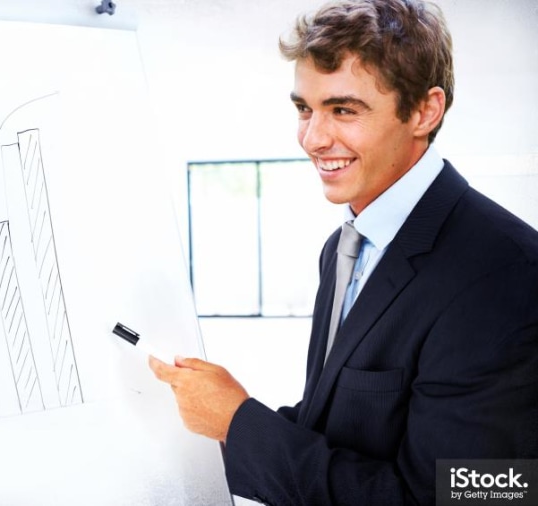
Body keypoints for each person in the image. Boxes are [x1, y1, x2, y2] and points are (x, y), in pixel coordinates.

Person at [149, 0, 538, 504]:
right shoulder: (344, 248)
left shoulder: (505, 276)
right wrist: (222, 422)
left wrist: (237, 423)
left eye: (343, 110)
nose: (313, 138)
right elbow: (337, 424)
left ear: (425, 110)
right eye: (304, 109)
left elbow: (457, 497)